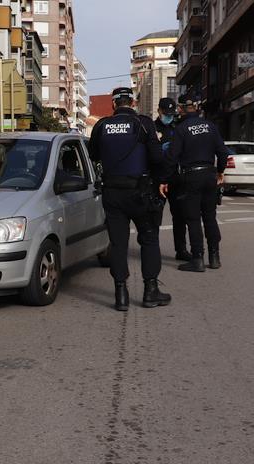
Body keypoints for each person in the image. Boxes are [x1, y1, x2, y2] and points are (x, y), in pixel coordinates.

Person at [89, 87, 171, 311]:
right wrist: (162, 180)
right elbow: (156, 157)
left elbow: (93, 155)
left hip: (112, 193)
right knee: (149, 239)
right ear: (133, 103)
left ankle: (121, 294)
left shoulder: (101, 125)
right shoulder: (144, 123)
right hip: (140, 192)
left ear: (114, 105)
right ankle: (150, 291)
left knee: (118, 243)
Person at [166, 93, 231, 271]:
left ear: (181, 108)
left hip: (191, 176)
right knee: (210, 217)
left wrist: (165, 179)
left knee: (193, 218)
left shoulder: (181, 128)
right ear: (197, 107)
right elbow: (223, 153)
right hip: (210, 175)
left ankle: (198, 259)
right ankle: (215, 256)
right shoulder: (211, 126)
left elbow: (172, 157)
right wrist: (220, 172)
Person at [154, 97, 191, 261]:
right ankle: (152, 249)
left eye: (171, 113)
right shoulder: (152, 128)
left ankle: (181, 249)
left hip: (176, 178)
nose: (168, 116)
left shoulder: (179, 127)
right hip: (158, 178)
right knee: (155, 216)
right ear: (159, 111)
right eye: (165, 113)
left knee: (180, 216)